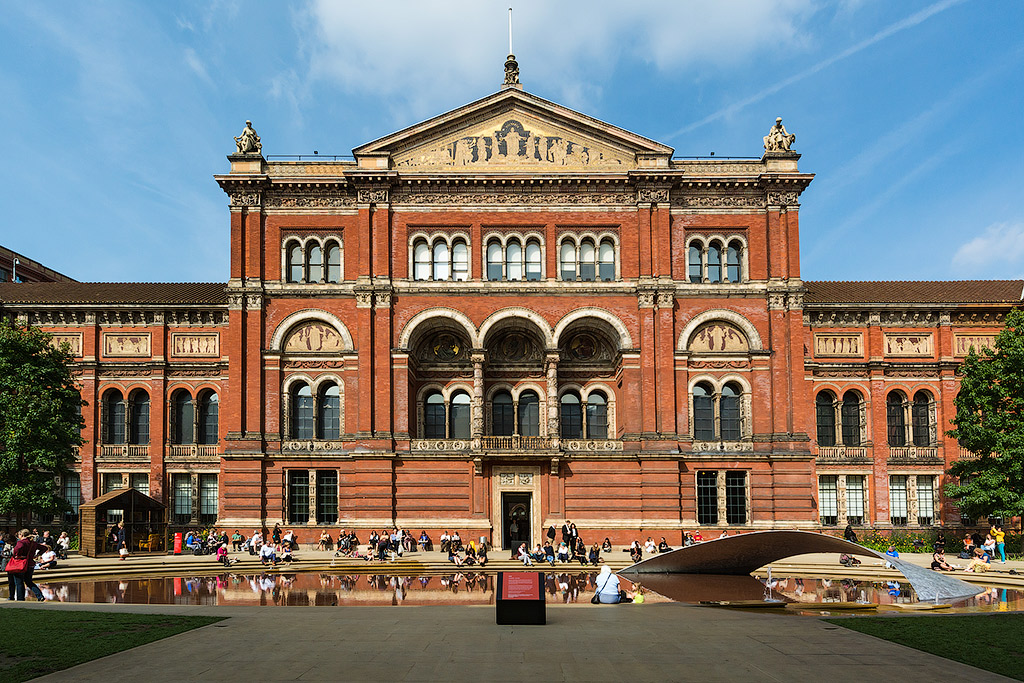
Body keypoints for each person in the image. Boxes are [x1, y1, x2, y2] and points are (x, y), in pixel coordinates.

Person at [6, 529, 46, 601]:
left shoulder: (21, 542)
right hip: (30, 564)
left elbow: (17, 549)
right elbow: (44, 548)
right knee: (29, 581)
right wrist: (37, 555)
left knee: (19, 582)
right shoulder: (33, 543)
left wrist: (16, 555)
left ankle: (20, 598)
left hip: (20, 564)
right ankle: (40, 596)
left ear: (21, 535)